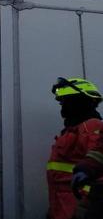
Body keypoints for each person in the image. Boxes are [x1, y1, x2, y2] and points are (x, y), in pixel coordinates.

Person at [46, 77, 103, 219]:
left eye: (65, 101)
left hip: (80, 210)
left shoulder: (91, 127)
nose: (63, 107)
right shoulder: (72, 130)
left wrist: (90, 208)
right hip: (62, 210)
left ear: (78, 102)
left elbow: (99, 173)